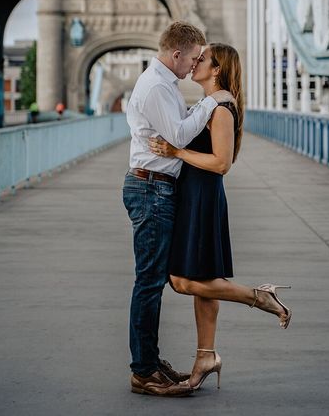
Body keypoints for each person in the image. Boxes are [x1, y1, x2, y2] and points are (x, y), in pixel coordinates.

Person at [149, 43, 292, 391]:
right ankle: (205, 357)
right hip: (193, 194)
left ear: (216, 69)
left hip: (203, 196)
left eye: (203, 59)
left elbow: (222, 163)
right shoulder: (208, 104)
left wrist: (176, 151)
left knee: (181, 280)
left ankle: (259, 297)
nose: (196, 62)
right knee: (204, 282)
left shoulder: (223, 108)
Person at [123, 22, 234, 397]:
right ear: (176, 55)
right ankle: (143, 371)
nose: (193, 65)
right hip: (150, 188)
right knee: (150, 283)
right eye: (192, 57)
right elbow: (179, 136)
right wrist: (214, 99)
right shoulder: (156, 86)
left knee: (157, 281)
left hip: (159, 188)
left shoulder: (166, 85)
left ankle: (150, 363)